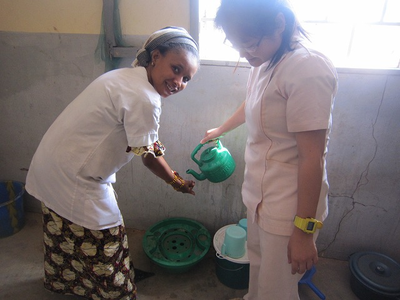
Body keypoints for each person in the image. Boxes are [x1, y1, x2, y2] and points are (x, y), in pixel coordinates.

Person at [25, 26, 199, 300]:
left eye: (187, 78)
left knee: (64, 236)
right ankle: (117, 290)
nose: (179, 82)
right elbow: (150, 158)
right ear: (155, 56)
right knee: (108, 242)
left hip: (52, 164)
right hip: (75, 178)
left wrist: (174, 179)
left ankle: (66, 282)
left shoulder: (124, 77)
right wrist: (177, 183)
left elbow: (147, 143)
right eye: (176, 69)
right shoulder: (145, 97)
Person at [200, 1, 338, 299]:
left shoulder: (307, 69)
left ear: (278, 23)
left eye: (249, 44)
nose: (245, 54)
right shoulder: (265, 60)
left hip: (290, 208)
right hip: (259, 196)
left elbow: (313, 157)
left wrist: (303, 231)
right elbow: (253, 102)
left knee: (277, 288)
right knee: (259, 271)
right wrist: (222, 128)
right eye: (238, 46)